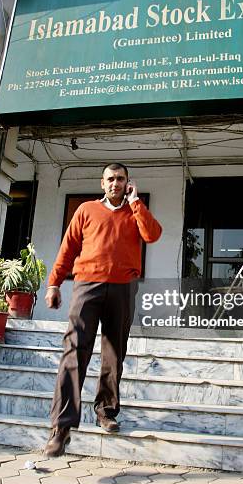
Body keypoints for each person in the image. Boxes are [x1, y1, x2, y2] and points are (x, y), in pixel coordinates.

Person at [44, 162, 162, 457]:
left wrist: (136, 203)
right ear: (102, 183)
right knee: (74, 350)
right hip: (87, 285)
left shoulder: (135, 211)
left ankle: (106, 412)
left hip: (123, 287)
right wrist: (54, 283)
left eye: (120, 179)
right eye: (110, 179)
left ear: (127, 182)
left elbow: (152, 235)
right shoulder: (85, 210)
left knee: (114, 353)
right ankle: (61, 428)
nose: (115, 183)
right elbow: (68, 248)